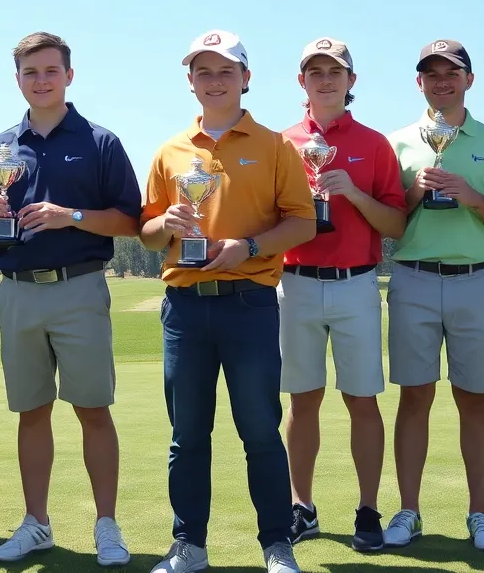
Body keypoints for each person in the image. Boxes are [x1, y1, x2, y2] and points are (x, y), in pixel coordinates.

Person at [139, 29, 317, 573]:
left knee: (260, 430)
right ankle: (189, 545)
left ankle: (276, 544)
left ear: (246, 78)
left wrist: (251, 246)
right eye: (203, 72)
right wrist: (163, 224)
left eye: (225, 71)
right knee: (187, 434)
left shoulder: (275, 146)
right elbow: (144, 231)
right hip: (186, 308)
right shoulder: (170, 150)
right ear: (190, 81)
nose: (214, 81)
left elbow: (303, 222)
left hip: (251, 303)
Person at [0, 32, 142, 567]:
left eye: (50, 71)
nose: (40, 80)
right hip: (17, 292)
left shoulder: (99, 141)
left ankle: (106, 525)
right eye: (30, 72)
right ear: (17, 79)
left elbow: (132, 221)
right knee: (31, 411)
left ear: (69, 75)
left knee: (93, 409)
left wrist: (74, 216)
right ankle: (36, 523)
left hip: (79, 287)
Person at [382, 39, 484, 553]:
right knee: (414, 396)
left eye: (452, 73)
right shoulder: (397, 143)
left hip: (476, 279)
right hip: (414, 279)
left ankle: (479, 513)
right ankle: (408, 510)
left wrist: (474, 198)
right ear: (419, 81)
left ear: (469, 80)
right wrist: (417, 191)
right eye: (432, 73)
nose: (442, 81)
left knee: (473, 397)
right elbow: (389, 222)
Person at [277, 37, 407, 551]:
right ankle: (301, 506)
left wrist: (352, 192)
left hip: (355, 283)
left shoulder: (374, 144)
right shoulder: (280, 142)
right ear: (301, 81)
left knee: (362, 400)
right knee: (302, 400)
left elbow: (395, 222)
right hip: (296, 283)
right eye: (315, 71)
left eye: (335, 71)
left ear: (351, 81)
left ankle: (369, 509)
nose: (325, 79)